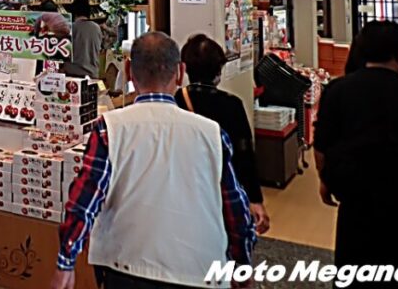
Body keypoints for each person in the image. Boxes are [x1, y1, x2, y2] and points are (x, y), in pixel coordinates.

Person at [52, 32, 255, 289]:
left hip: (124, 267)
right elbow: (236, 208)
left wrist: (66, 261)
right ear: (180, 73)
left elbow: (84, 200)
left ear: (128, 70)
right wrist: (242, 263)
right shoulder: (212, 134)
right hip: (201, 270)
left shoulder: (109, 128)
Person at [315, 21, 398, 287]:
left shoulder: (338, 90)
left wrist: (326, 180)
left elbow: (322, 146)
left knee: (353, 272)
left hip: (356, 200)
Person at [175, 34, 269, 235]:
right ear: (219, 70)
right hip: (222, 188)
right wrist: (255, 199)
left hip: (183, 186)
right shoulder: (231, 105)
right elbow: (244, 155)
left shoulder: (176, 100)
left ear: (185, 68)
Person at [65, 0, 102, 79]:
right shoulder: (96, 27)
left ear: (74, 13)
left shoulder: (71, 28)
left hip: (73, 74)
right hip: (93, 74)